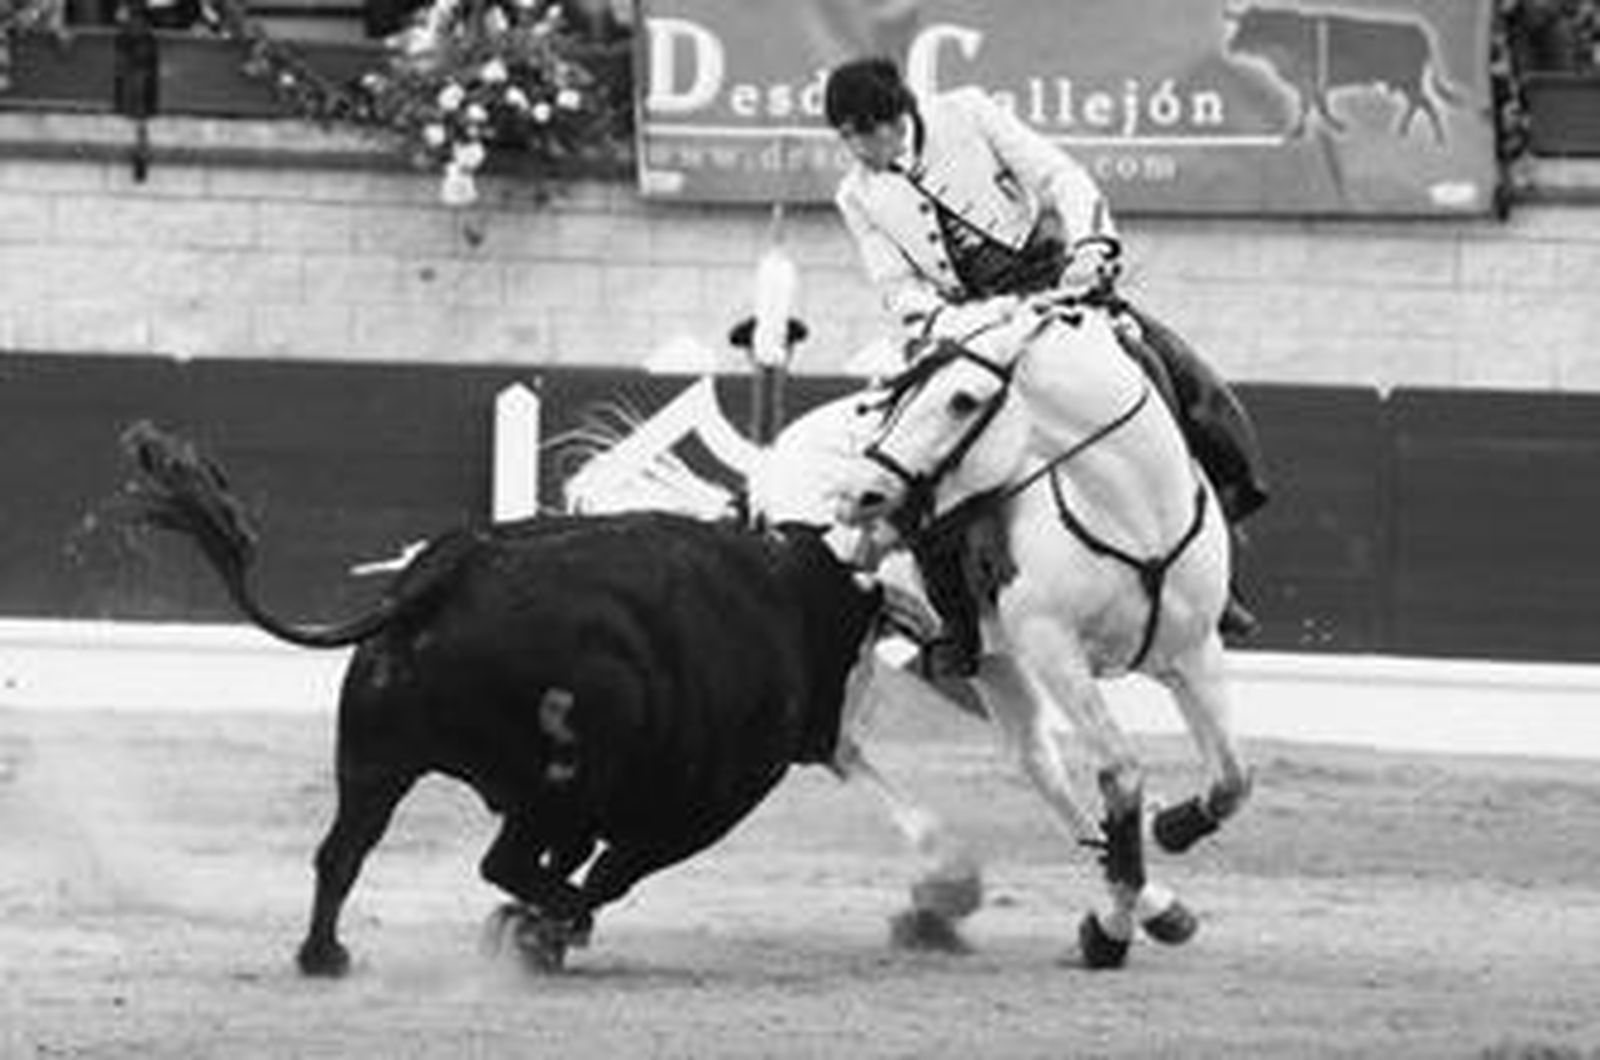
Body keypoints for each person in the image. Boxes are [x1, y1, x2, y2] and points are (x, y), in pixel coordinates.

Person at [823, 56, 1269, 671]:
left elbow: (1060, 176)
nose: (857, 151)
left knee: (1174, 377)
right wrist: (956, 323)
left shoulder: (969, 113)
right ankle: (955, 624)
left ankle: (1219, 575)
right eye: (845, 137)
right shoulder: (856, 195)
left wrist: (1089, 248)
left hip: (1059, 290)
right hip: (966, 329)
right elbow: (897, 287)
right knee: (912, 458)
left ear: (898, 118)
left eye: (863, 133)